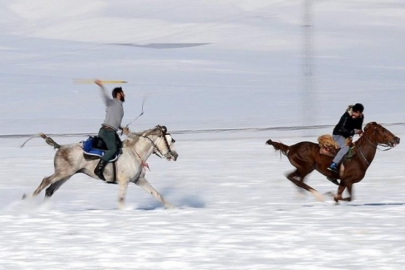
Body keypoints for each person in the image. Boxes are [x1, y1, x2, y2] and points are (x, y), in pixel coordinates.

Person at [93, 79, 127, 182]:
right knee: (113, 149)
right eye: (122, 93)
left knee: (121, 147)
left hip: (112, 131)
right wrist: (101, 86)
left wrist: (122, 128)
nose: (124, 94)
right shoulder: (111, 102)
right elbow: (105, 96)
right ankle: (98, 170)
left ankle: (116, 172)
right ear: (118, 94)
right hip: (107, 132)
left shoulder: (120, 107)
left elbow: (114, 121)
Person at [328, 103, 365, 174]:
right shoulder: (346, 116)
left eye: (356, 113)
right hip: (338, 135)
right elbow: (342, 129)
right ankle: (333, 164)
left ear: (360, 113)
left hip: (348, 136)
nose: (354, 114)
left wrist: (360, 132)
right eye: (353, 112)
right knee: (346, 148)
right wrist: (354, 131)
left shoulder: (361, 117)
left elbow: (358, 127)